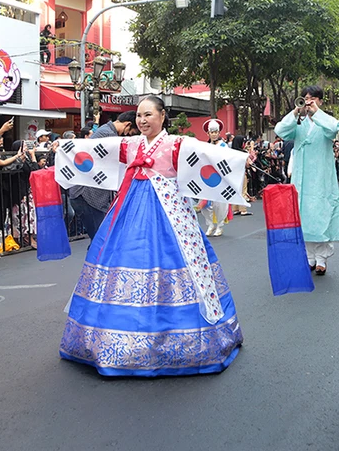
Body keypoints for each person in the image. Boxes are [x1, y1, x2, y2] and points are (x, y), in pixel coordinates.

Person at [60, 96, 243, 376]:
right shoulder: (130, 144)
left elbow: (211, 157)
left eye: (148, 115)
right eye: (139, 116)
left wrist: (242, 161)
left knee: (182, 260)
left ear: (162, 116)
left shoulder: (178, 144)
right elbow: (98, 150)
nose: (142, 120)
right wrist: (66, 148)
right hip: (131, 208)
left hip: (170, 212)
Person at [274, 85, 339, 275]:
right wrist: (296, 111)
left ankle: (321, 259)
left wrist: (316, 113)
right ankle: (309, 258)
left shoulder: (325, 121)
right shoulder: (298, 123)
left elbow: (334, 128)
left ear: (320, 100)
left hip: (321, 178)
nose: (309, 101)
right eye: (305, 98)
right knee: (303, 218)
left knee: (321, 217)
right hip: (302, 178)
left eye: (313, 98)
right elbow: (280, 130)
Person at [68, 110, 137, 243]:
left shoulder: (106, 131)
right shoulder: (109, 136)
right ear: (128, 125)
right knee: (102, 240)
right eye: (131, 132)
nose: (128, 136)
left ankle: (96, 262)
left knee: (100, 239)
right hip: (88, 195)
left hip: (87, 194)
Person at [203, 118, 231, 236]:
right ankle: (210, 224)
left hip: (220, 177)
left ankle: (220, 225)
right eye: (211, 132)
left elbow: (228, 160)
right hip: (207, 177)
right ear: (208, 133)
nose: (214, 134)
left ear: (219, 133)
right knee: (204, 203)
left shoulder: (224, 146)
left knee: (220, 203)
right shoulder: (205, 146)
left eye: (215, 132)